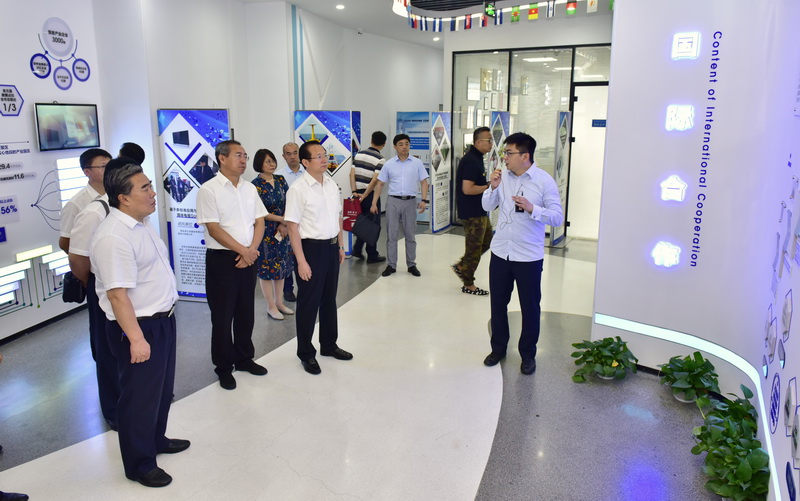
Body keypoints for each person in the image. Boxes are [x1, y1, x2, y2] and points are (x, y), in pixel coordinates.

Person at [90, 162, 190, 487]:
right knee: (138, 398)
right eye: (144, 188)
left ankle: (156, 440)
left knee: (160, 391)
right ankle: (139, 464)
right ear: (123, 198)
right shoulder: (113, 236)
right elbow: (117, 295)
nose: (152, 192)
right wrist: (136, 338)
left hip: (162, 321)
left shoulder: (141, 223)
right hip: (137, 327)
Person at [481, 132, 563, 375]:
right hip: (501, 252)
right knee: (498, 304)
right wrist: (492, 187)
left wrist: (532, 208)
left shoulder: (544, 181)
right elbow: (487, 206)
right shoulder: (502, 177)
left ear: (525, 156)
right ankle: (498, 349)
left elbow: (557, 217)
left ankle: (528, 355)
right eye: (504, 153)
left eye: (509, 153)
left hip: (528, 256)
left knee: (530, 307)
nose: (504, 158)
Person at [67, 157, 136, 431]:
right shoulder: (92, 211)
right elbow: (77, 257)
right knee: (107, 349)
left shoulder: (128, 209)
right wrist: (95, 283)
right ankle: (113, 409)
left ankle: (135, 399)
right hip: (103, 286)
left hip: (126, 284)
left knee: (127, 345)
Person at [196, 140, 268, 390]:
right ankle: (224, 367)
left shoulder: (249, 188)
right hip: (223, 260)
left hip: (249, 256)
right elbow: (213, 229)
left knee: (246, 312)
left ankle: (244, 358)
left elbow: (260, 221)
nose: (243, 160)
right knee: (223, 316)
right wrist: (243, 251)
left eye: (245, 156)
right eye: (238, 155)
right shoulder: (209, 189)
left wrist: (251, 251)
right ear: (222, 158)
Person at [284, 140, 352, 375]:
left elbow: (337, 217)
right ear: (305, 162)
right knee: (308, 302)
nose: (324, 159)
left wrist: (341, 245)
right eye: (318, 156)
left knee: (329, 299)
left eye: (325, 155)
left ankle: (329, 345)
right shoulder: (298, 189)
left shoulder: (331, 184)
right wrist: (301, 261)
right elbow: (292, 227)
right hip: (310, 250)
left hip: (331, 248)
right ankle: (305, 353)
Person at [376, 134, 429, 277]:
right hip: (393, 201)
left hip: (410, 202)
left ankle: (411, 264)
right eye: (400, 144)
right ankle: (391, 265)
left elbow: (424, 182)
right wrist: (374, 202)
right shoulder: (389, 164)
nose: (404, 147)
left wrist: (424, 200)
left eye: (407, 143)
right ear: (395, 147)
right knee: (391, 235)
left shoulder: (417, 163)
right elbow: (380, 183)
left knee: (410, 235)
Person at [251, 148, 294, 320]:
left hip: (282, 230)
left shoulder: (280, 179)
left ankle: (279, 302)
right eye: (267, 161)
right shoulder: (255, 185)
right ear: (259, 164)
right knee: (267, 270)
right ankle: (270, 306)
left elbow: (290, 201)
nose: (272, 164)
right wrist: (281, 220)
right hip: (265, 231)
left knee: (281, 267)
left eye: (273, 160)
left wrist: (285, 223)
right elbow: (260, 212)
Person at [453, 127, 494, 296]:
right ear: (478, 142)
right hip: (472, 213)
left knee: (487, 241)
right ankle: (468, 284)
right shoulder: (471, 160)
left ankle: (462, 266)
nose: (491, 143)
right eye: (488, 140)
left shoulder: (477, 158)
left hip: (479, 210)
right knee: (474, 248)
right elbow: (468, 189)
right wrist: (489, 186)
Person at [58, 148, 111, 252]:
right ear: (87, 171)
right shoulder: (75, 204)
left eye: (111, 165)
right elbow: (65, 242)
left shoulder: (118, 193)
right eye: (104, 166)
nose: (110, 170)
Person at [349, 131, 387, 263]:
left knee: (362, 222)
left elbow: (351, 174)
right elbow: (375, 180)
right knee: (373, 225)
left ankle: (357, 249)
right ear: (384, 144)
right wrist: (365, 196)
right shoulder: (380, 159)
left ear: (371, 140)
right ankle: (372, 255)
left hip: (357, 193)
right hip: (369, 195)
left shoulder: (359, 154)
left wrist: (354, 192)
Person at [277, 142, 305, 302]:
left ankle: (304, 286)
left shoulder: (307, 173)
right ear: (284, 156)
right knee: (287, 257)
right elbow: (281, 203)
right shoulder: (279, 176)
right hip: (287, 223)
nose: (293, 156)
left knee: (303, 256)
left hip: (305, 223)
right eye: (289, 154)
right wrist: (283, 223)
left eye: (295, 152)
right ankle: (288, 290)